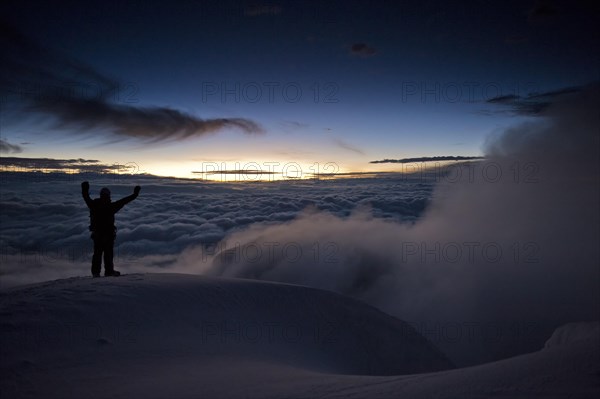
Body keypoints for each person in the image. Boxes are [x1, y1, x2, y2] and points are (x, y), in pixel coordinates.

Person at [81, 181, 141, 277]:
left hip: (98, 235)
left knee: (97, 254)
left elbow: (86, 198)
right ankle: (109, 271)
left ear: (101, 195)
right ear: (109, 196)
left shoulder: (94, 205)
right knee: (108, 254)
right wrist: (135, 194)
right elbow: (124, 201)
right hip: (108, 235)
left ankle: (96, 273)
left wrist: (84, 189)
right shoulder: (111, 206)